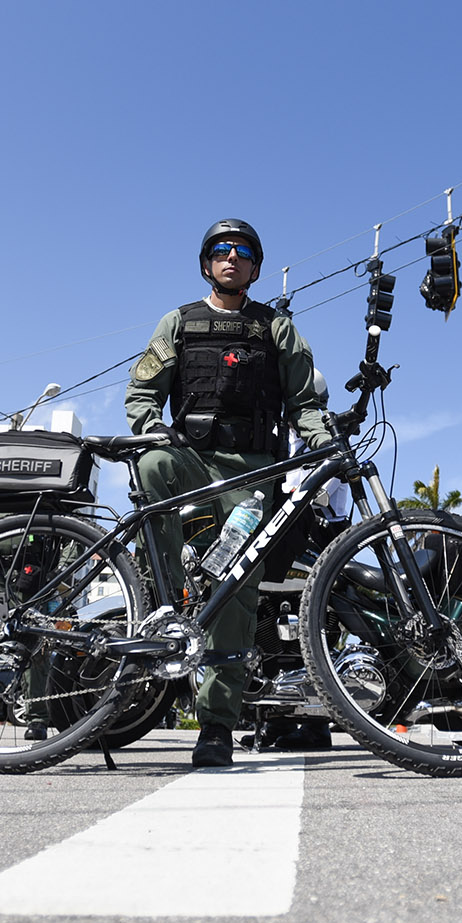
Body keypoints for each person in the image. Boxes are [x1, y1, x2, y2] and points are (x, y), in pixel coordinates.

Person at [124, 220, 332, 766]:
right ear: (206, 263)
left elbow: (305, 401)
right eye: (221, 251)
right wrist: (151, 425)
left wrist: (321, 440)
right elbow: (142, 392)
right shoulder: (179, 323)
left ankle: (216, 726)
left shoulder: (275, 328)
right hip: (192, 460)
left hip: (252, 472)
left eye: (243, 253)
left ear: (256, 268)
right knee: (151, 464)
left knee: (235, 590)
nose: (231, 259)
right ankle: (163, 601)